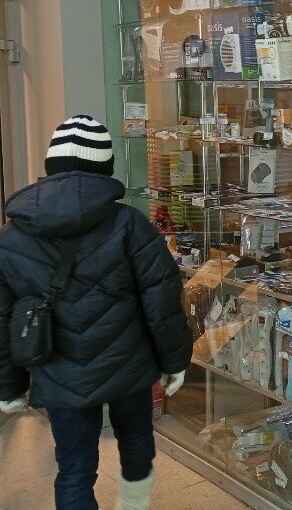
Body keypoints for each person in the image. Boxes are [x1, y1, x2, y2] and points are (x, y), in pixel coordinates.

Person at [0, 116, 193, 510]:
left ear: (51, 165)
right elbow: (161, 300)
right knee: (136, 442)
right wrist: (174, 360)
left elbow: (2, 319)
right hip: (128, 362)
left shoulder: (11, 236)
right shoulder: (129, 224)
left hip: (58, 370)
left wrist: (7, 386)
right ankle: (133, 504)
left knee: (73, 468)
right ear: (105, 169)